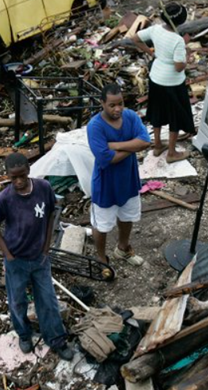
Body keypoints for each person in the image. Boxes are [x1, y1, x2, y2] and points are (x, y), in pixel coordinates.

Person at [0, 153, 74, 361]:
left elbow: (52, 213)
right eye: (13, 178)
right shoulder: (4, 199)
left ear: (29, 170)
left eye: (22, 176)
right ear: (7, 176)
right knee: (17, 300)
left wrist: (46, 248)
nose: (18, 181)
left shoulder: (43, 188)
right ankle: (24, 334)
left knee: (47, 300)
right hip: (16, 259)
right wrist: (7, 254)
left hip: (39, 258)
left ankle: (56, 339)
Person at [87, 83, 151, 277]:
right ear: (102, 104)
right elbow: (107, 158)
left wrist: (115, 145)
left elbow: (146, 141)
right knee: (102, 225)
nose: (117, 109)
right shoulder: (95, 126)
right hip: (106, 185)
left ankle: (122, 249)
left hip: (129, 180)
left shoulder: (130, 116)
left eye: (120, 104)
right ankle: (101, 258)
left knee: (128, 216)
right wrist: (133, 147)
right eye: (112, 105)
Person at [131, 2, 196, 164]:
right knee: (175, 116)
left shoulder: (155, 29)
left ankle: (158, 145)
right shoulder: (178, 41)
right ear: (181, 21)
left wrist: (151, 52)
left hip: (156, 78)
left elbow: (135, 38)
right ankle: (172, 153)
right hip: (173, 83)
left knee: (158, 111)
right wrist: (188, 56)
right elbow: (179, 67)